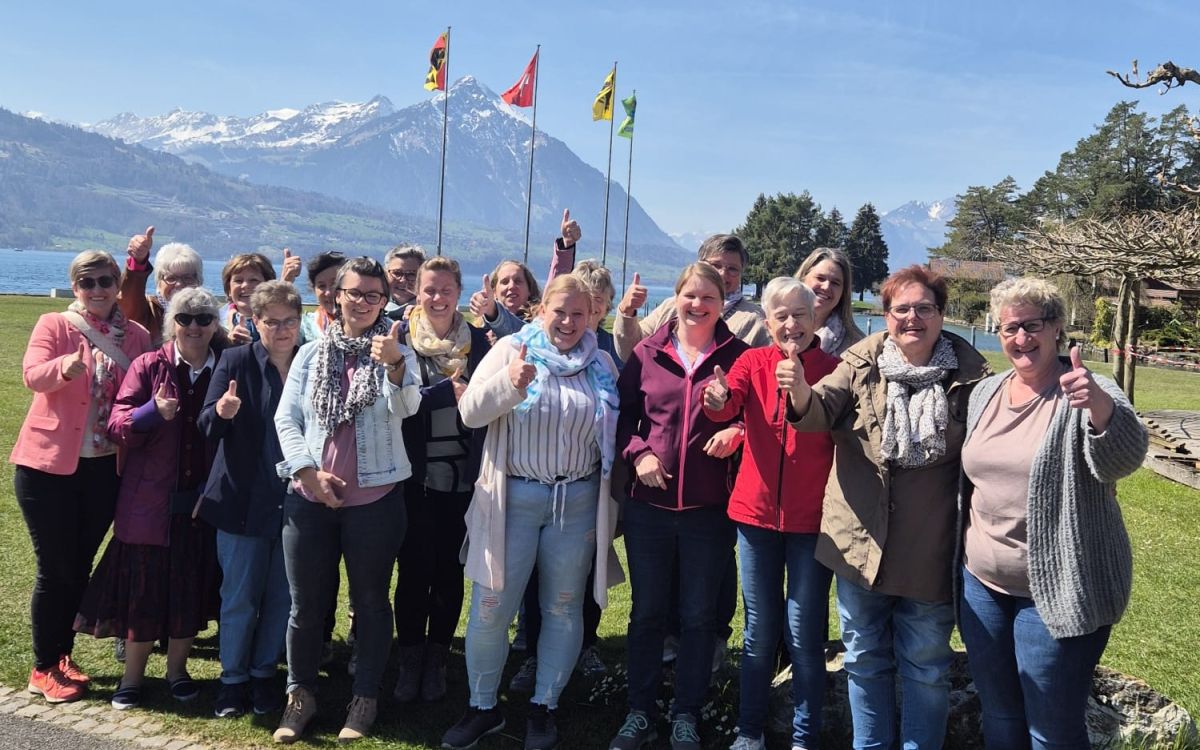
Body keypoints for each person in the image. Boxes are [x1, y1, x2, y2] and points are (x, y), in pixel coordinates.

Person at [786, 265, 989, 749]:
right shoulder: (861, 360)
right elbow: (819, 412)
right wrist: (797, 391)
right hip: (860, 548)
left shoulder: (973, 376)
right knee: (863, 660)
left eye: (924, 308)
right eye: (901, 309)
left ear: (942, 315)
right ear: (886, 315)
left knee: (925, 669)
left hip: (930, 553)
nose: (912, 318)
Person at [957, 278, 1147, 749]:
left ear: (1057, 328)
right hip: (981, 587)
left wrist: (1100, 409)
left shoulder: (1087, 389)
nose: (1021, 339)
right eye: (1009, 328)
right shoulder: (987, 392)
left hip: (1058, 592)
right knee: (999, 716)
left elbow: (1124, 458)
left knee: (1052, 730)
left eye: (1032, 325)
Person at [441, 274, 621, 750]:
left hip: (576, 501)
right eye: (558, 311)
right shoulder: (510, 351)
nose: (567, 322)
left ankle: (545, 705)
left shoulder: (601, 363)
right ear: (542, 310)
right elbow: (471, 414)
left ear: (592, 316)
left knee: (563, 607)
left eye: (578, 313)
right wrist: (509, 384)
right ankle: (483, 707)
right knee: (491, 606)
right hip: (513, 499)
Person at [272, 257, 421, 744]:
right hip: (308, 500)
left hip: (375, 502)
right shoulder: (311, 354)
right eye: (354, 292)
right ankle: (301, 695)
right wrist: (307, 472)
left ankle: (364, 698)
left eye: (373, 295)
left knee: (372, 602)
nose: (362, 302)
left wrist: (395, 363)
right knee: (305, 606)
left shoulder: (395, 351)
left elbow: (408, 407)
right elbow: (286, 419)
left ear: (384, 301)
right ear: (336, 295)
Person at [609, 263, 749, 750]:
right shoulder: (648, 353)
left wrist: (738, 430)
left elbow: (764, 420)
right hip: (649, 508)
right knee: (647, 614)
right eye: (690, 295)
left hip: (708, 513)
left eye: (708, 296)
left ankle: (686, 714)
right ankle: (639, 712)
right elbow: (623, 418)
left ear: (722, 301)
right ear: (677, 298)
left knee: (697, 617)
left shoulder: (740, 358)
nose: (698, 304)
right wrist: (639, 453)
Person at [702, 277, 840, 750]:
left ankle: (804, 737)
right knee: (759, 630)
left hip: (811, 523)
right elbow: (726, 403)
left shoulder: (834, 369)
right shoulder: (753, 361)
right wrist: (716, 400)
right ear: (767, 321)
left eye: (799, 314)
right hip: (755, 518)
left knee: (804, 634)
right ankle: (749, 731)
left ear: (814, 317)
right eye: (780, 315)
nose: (790, 324)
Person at [74, 287, 228, 710]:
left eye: (203, 318)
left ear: (215, 324)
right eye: (184, 318)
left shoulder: (226, 369)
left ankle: (178, 672)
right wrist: (150, 413)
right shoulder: (148, 365)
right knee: (143, 595)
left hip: (199, 505)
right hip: (149, 504)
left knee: (188, 591)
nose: (194, 326)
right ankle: (132, 679)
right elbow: (117, 425)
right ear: (171, 324)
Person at [11, 251, 152, 704]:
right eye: (87, 282)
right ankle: (42, 667)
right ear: (75, 288)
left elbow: (148, 384)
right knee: (56, 570)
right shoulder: (54, 325)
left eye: (105, 280)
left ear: (117, 284)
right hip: (48, 467)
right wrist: (64, 369)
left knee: (79, 566)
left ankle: (61, 655)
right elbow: (32, 376)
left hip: (104, 468)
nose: (97, 290)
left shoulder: (137, 336)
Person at [509, 211, 620, 693]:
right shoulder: (537, 345)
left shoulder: (608, 355)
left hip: (585, 490)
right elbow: (555, 291)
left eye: (596, 306)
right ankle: (533, 651)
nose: (583, 316)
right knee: (538, 579)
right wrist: (564, 249)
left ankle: (584, 648)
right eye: (578, 306)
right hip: (532, 488)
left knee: (581, 577)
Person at [198, 281, 303, 718]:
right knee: (239, 597)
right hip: (241, 500)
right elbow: (205, 426)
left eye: (289, 321)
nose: (281, 330)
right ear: (254, 321)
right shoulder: (234, 360)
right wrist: (221, 412)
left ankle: (264, 675)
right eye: (271, 321)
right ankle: (232, 681)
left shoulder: (309, 364)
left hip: (294, 504)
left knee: (282, 597)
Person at [391, 256, 491, 703]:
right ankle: (409, 660)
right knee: (412, 574)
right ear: (416, 289)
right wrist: (442, 395)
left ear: (458, 292)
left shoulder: (482, 345)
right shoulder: (399, 339)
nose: (436, 297)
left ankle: (437, 659)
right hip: (412, 481)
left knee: (450, 574)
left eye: (445, 289)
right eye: (428, 288)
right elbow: (396, 402)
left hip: (463, 483)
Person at [613, 234, 770, 362]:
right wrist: (627, 311)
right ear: (699, 265)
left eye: (732, 269)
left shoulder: (756, 321)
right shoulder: (672, 307)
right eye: (715, 265)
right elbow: (631, 353)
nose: (722, 273)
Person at [118, 227, 204, 346]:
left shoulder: (207, 316)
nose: (179, 284)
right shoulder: (148, 311)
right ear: (159, 281)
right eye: (171, 278)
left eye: (187, 278)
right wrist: (138, 261)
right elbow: (129, 302)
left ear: (199, 281)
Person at [795, 247, 866, 356]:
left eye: (835, 283)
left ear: (843, 292)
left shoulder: (857, 346)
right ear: (803, 279)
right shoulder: (776, 330)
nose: (826, 287)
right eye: (820, 278)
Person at [221, 252, 301, 345]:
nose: (245, 285)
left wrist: (285, 283)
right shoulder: (215, 323)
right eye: (238, 281)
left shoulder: (289, 322)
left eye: (253, 280)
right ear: (229, 289)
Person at [467, 259, 543, 337]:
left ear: (529, 289)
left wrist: (492, 311)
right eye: (505, 282)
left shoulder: (541, 323)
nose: (511, 286)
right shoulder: (480, 329)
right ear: (494, 292)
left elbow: (523, 335)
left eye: (518, 281)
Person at [299, 251, 346, 343]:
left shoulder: (366, 325)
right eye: (321, 286)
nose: (328, 293)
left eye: (334, 284)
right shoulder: (305, 326)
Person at [384, 244, 426, 314]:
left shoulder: (430, 315)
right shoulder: (371, 310)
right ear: (386, 274)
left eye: (411, 274)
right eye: (397, 273)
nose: (403, 280)